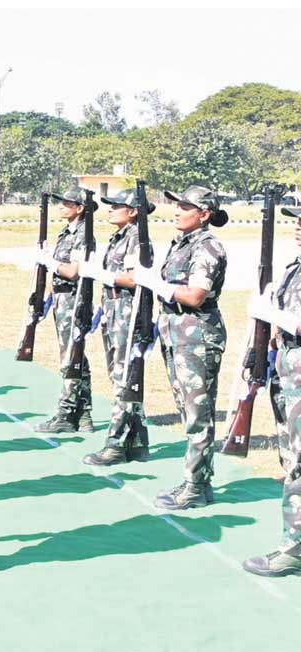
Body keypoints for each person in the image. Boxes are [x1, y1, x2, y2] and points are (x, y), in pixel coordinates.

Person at [132, 185, 228, 510]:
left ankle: (195, 486)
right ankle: (199, 480)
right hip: (177, 333)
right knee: (187, 409)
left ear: (204, 214)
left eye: (184, 206)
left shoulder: (208, 247)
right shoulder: (182, 244)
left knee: (198, 414)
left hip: (197, 335)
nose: (176, 211)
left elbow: (195, 296)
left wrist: (156, 284)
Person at [243, 205, 301, 577]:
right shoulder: (295, 265)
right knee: (291, 460)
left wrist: (272, 314)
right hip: (289, 374)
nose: (298, 226)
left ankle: (295, 548)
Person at [77, 189, 154, 465]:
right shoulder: (120, 236)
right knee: (119, 375)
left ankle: (116, 443)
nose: (110, 209)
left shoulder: (137, 239)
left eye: (116, 206)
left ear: (133, 211)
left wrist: (103, 275)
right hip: (113, 308)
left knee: (124, 378)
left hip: (127, 311)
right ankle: (137, 442)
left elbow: (136, 279)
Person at [33, 187, 96, 433]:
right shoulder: (66, 233)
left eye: (67, 203)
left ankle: (67, 412)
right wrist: (44, 299)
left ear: (80, 208)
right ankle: (84, 415)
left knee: (71, 356)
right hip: (61, 298)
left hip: (74, 298)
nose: (62, 206)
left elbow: (73, 271)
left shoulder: (83, 235)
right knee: (76, 355)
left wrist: (49, 261)